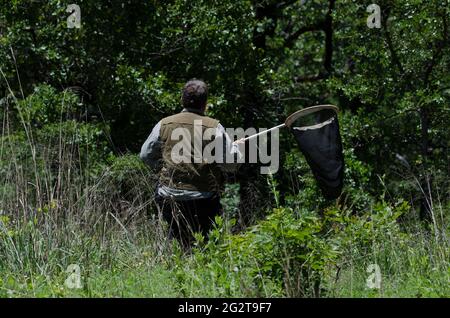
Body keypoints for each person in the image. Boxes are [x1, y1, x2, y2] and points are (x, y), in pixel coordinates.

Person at [140, 79, 241, 249]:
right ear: (205, 104)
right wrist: (236, 149)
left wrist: (162, 167)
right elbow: (231, 165)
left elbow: (145, 155)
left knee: (174, 247)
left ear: (182, 100)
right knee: (204, 247)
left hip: (169, 197)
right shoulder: (215, 127)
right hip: (203, 199)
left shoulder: (164, 124)